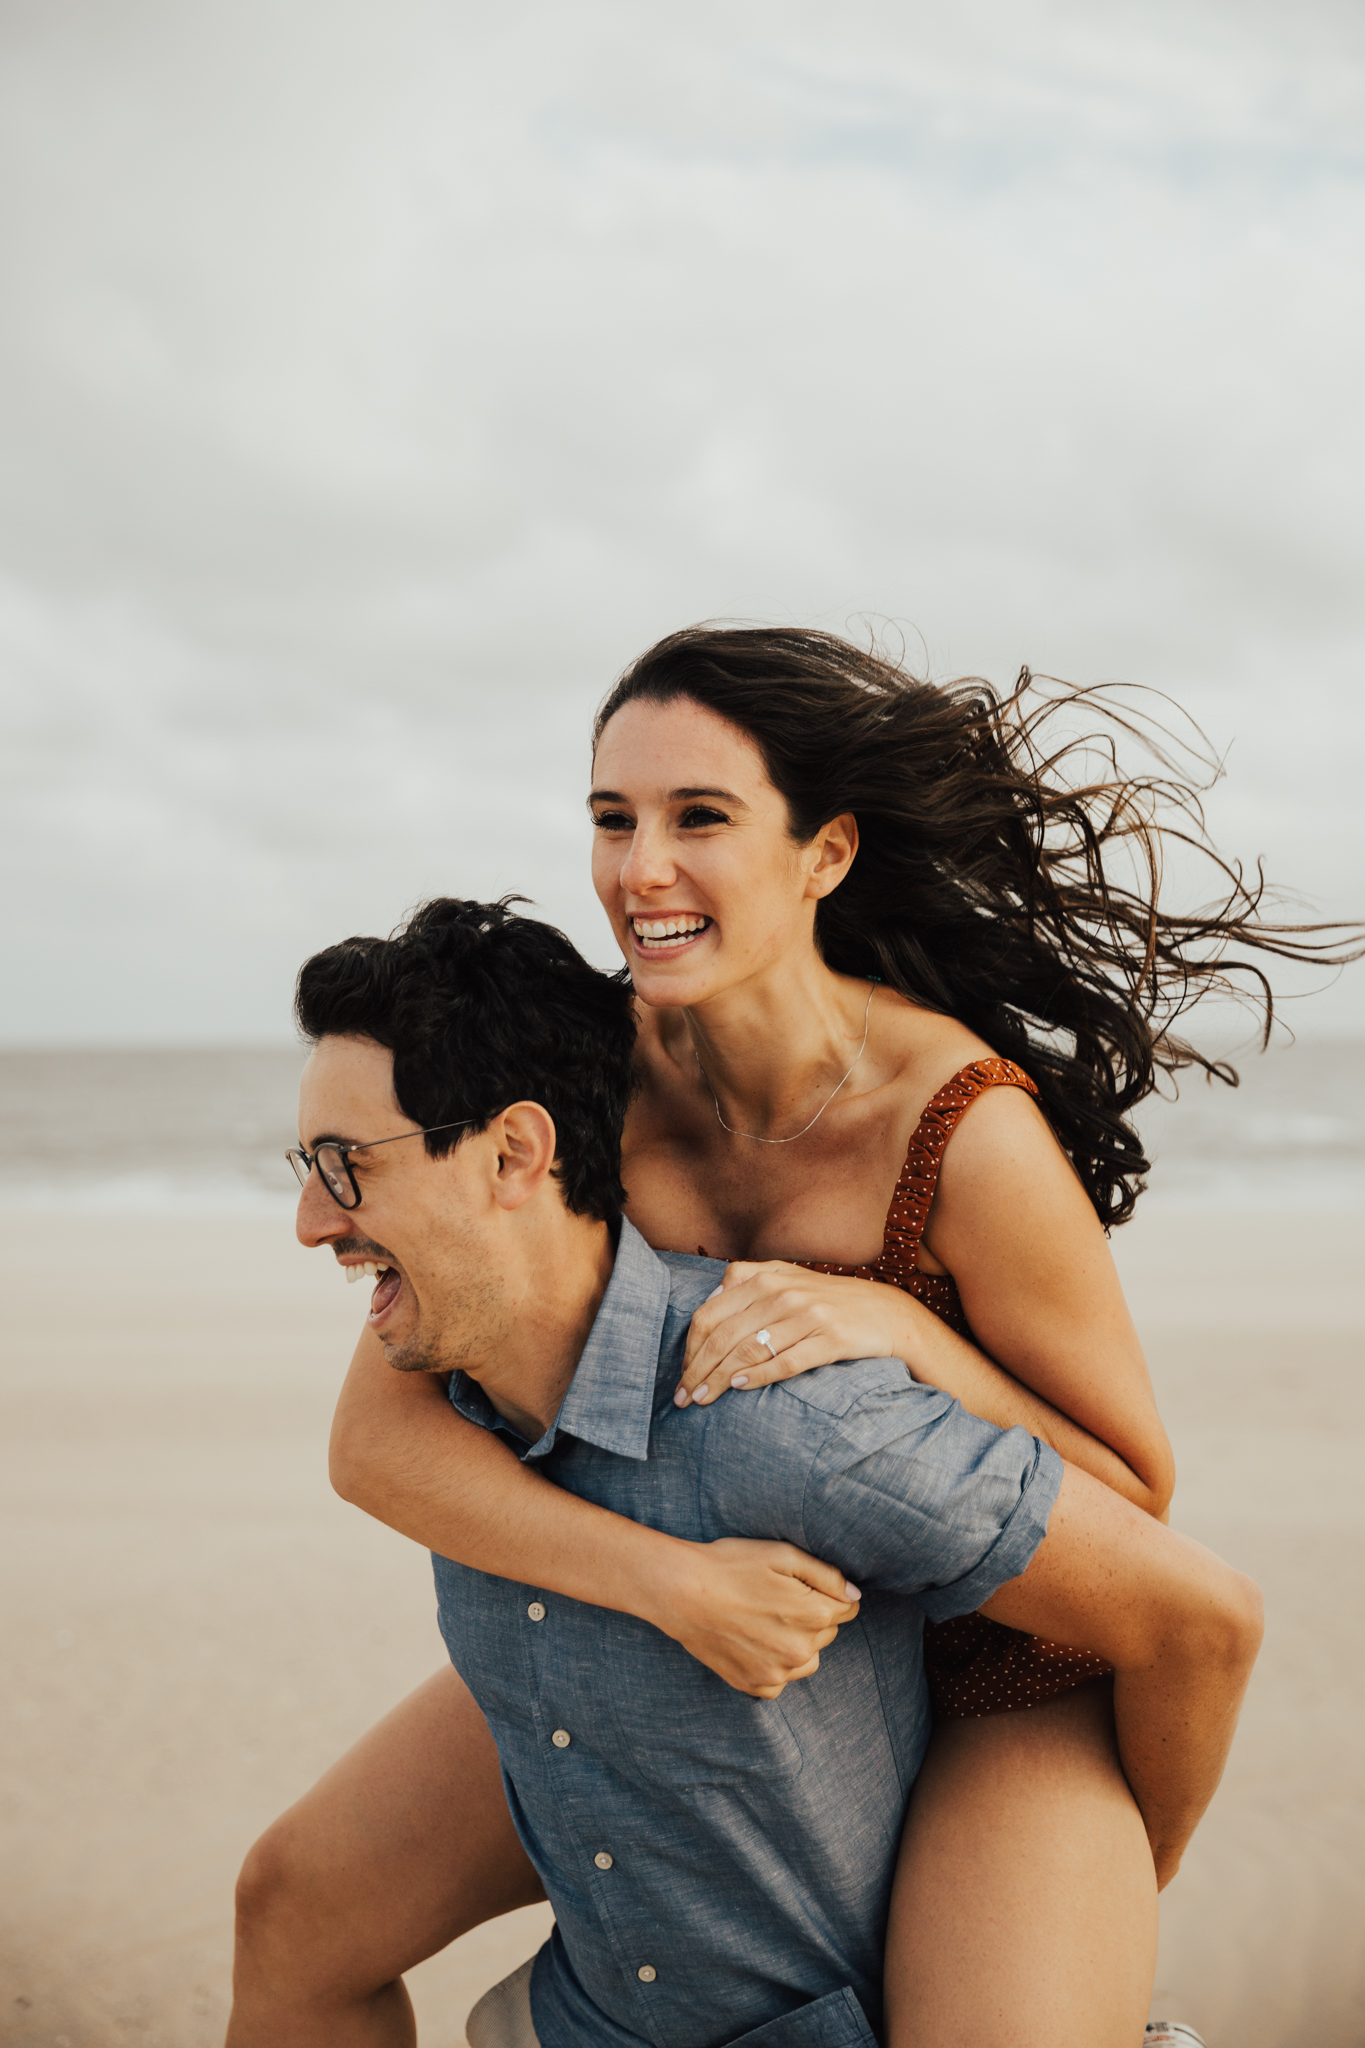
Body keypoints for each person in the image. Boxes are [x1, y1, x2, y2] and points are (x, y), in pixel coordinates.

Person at [230, 628, 1349, 2047]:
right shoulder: (597, 1081)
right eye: (610, 817)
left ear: (822, 855)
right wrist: (667, 1586)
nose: (639, 870)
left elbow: (1133, 1502)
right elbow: (379, 1442)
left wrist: (909, 1335)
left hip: (983, 1673)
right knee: (291, 1901)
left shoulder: (957, 1128)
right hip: (725, 1619)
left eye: (698, 818)